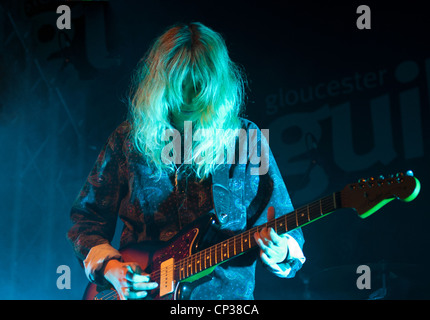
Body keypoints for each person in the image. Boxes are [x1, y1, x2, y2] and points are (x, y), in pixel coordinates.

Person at [67, 22, 305, 300]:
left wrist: (283, 248)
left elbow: (285, 223)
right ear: (161, 83)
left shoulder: (246, 140)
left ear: (218, 85)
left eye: (201, 84)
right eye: (181, 84)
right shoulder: (128, 140)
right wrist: (110, 267)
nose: (191, 96)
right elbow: (86, 220)